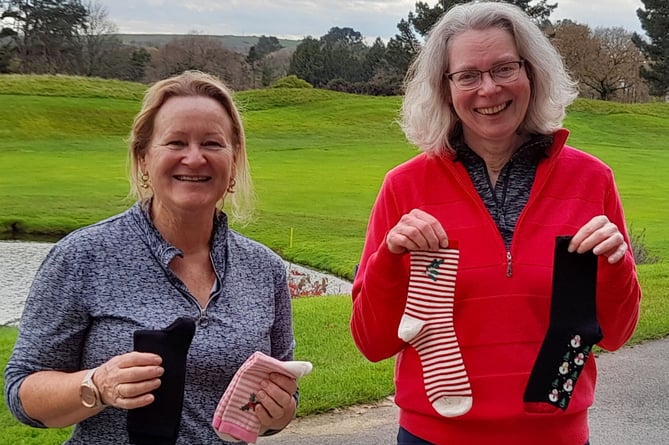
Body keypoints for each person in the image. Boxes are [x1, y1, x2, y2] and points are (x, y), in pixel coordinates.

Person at [350, 2, 641, 445]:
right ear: (445, 88)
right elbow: (372, 342)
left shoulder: (591, 180)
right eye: (467, 75)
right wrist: (389, 258)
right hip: (434, 436)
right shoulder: (404, 186)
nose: (488, 89)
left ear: (531, 73)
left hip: (555, 435)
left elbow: (617, 334)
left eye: (504, 68)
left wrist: (617, 263)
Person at [4, 70, 299, 444]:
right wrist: (97, 384)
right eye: (176, 142)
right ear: (143, 158)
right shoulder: (84, 256)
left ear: (234, 160)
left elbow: (281, 404)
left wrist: (279, 411)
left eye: (212, 143)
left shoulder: (264, 269)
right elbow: (22, 392)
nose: (194, 158)